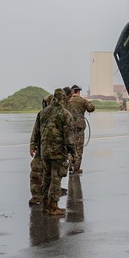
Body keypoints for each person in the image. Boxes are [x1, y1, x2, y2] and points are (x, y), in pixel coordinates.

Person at [30, 88, 76, 216]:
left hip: (44, 152)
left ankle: (45, 204)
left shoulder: (42, 113)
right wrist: (73, 152)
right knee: (56, 179)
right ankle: (53, 207)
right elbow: (69, 137)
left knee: (46, 178)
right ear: (63, 98)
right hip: (58, 152)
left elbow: (36, 131)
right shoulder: (65, 114)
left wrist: (32, 145)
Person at [64, 84, 96, 174]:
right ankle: (76, 168)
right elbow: (91, 108)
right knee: (78, 148)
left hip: (69, 126)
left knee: (70, 146)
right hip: (79, 127)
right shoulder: (82, 100)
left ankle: (70, 165)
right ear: (78, 91)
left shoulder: (67, 100)